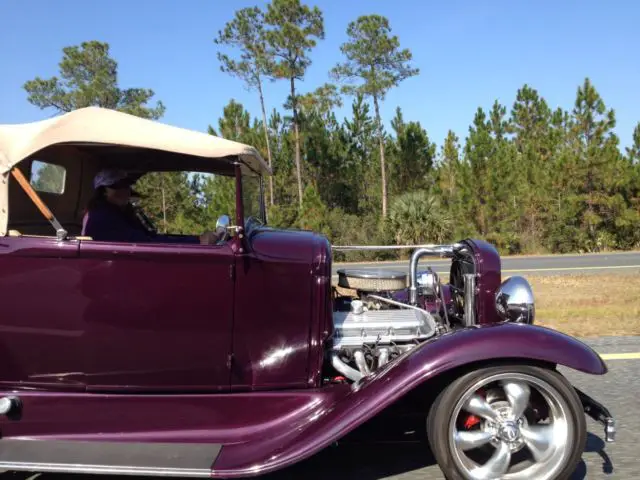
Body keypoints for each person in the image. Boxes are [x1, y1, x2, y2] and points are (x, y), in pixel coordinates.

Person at [82, 169, 223, 245]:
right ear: (103, 191)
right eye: (116, 186)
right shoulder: (102, 217)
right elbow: (145, 243)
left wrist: (197, 240)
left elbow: (149, 237)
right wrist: (198, 241)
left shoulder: (118, 212)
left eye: (126, 185)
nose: (124, 190)